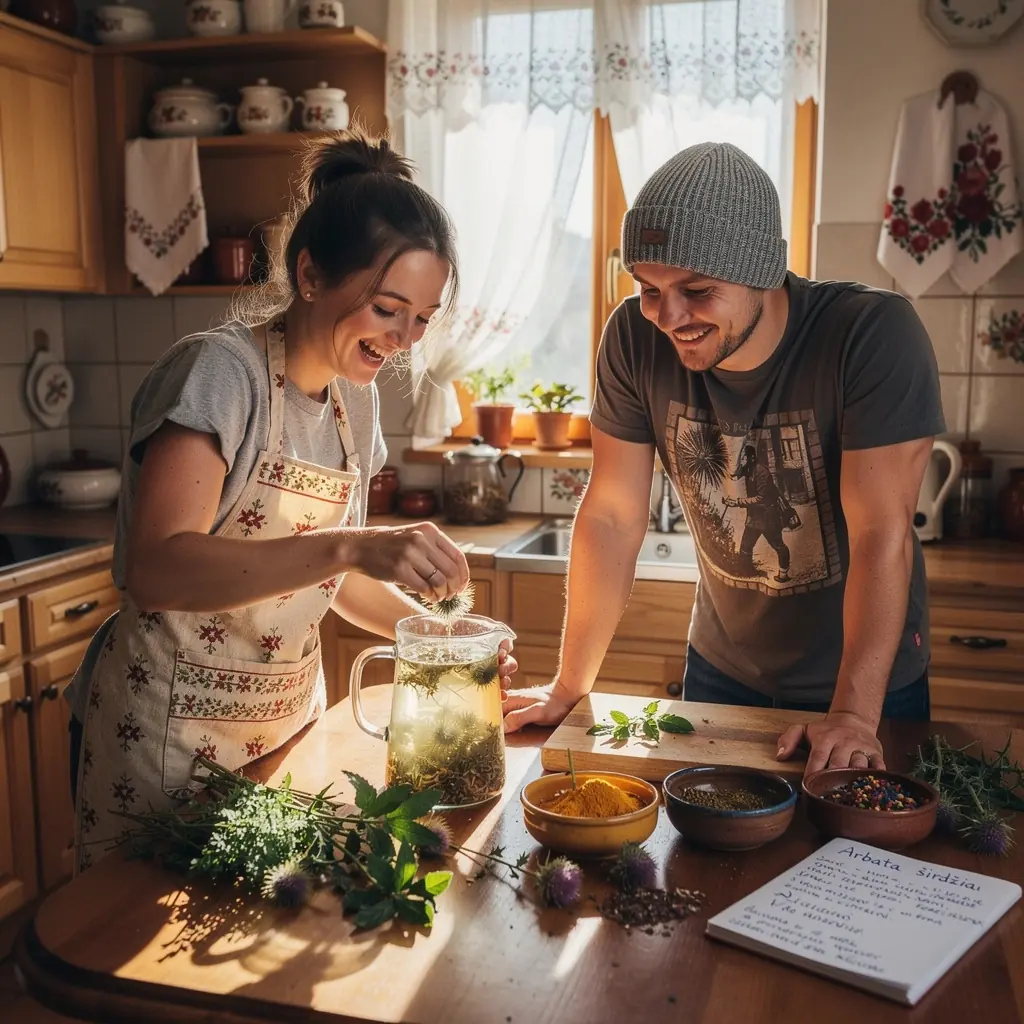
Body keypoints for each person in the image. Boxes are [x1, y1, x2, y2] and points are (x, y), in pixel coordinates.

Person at [68, 129, 515, 872]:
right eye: (386, 309)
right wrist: (351, 544)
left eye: (423, 318)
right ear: (309, 275)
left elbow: (332, 585)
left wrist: (445, 649)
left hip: (280, 731)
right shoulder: (218, 374)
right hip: (167, 742)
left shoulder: (356, 403)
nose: (404, 338)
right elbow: (157, 568)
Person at [502, 142, 943, 776]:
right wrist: (571, 687)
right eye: (649, 288)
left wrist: (850, 716)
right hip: (722, 667)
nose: (668, 316)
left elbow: (882, 534)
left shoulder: (871, 335)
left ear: (763, 270)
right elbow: (612, 516)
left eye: (698, 289)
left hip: (865, 685)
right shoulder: (632, 337)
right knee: (709, 862)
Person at [723, 442, 791, 583]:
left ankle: (783, 574)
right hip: (755, 517)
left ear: (752, 458)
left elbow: (761, 498)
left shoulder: (762, 473)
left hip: (768, 516)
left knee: (778, 545)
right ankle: (746, 572)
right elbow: (734, 474)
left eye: (743, 458)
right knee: (746, 545)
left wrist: (737, 502)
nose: (741, 461)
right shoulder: (748, 469)